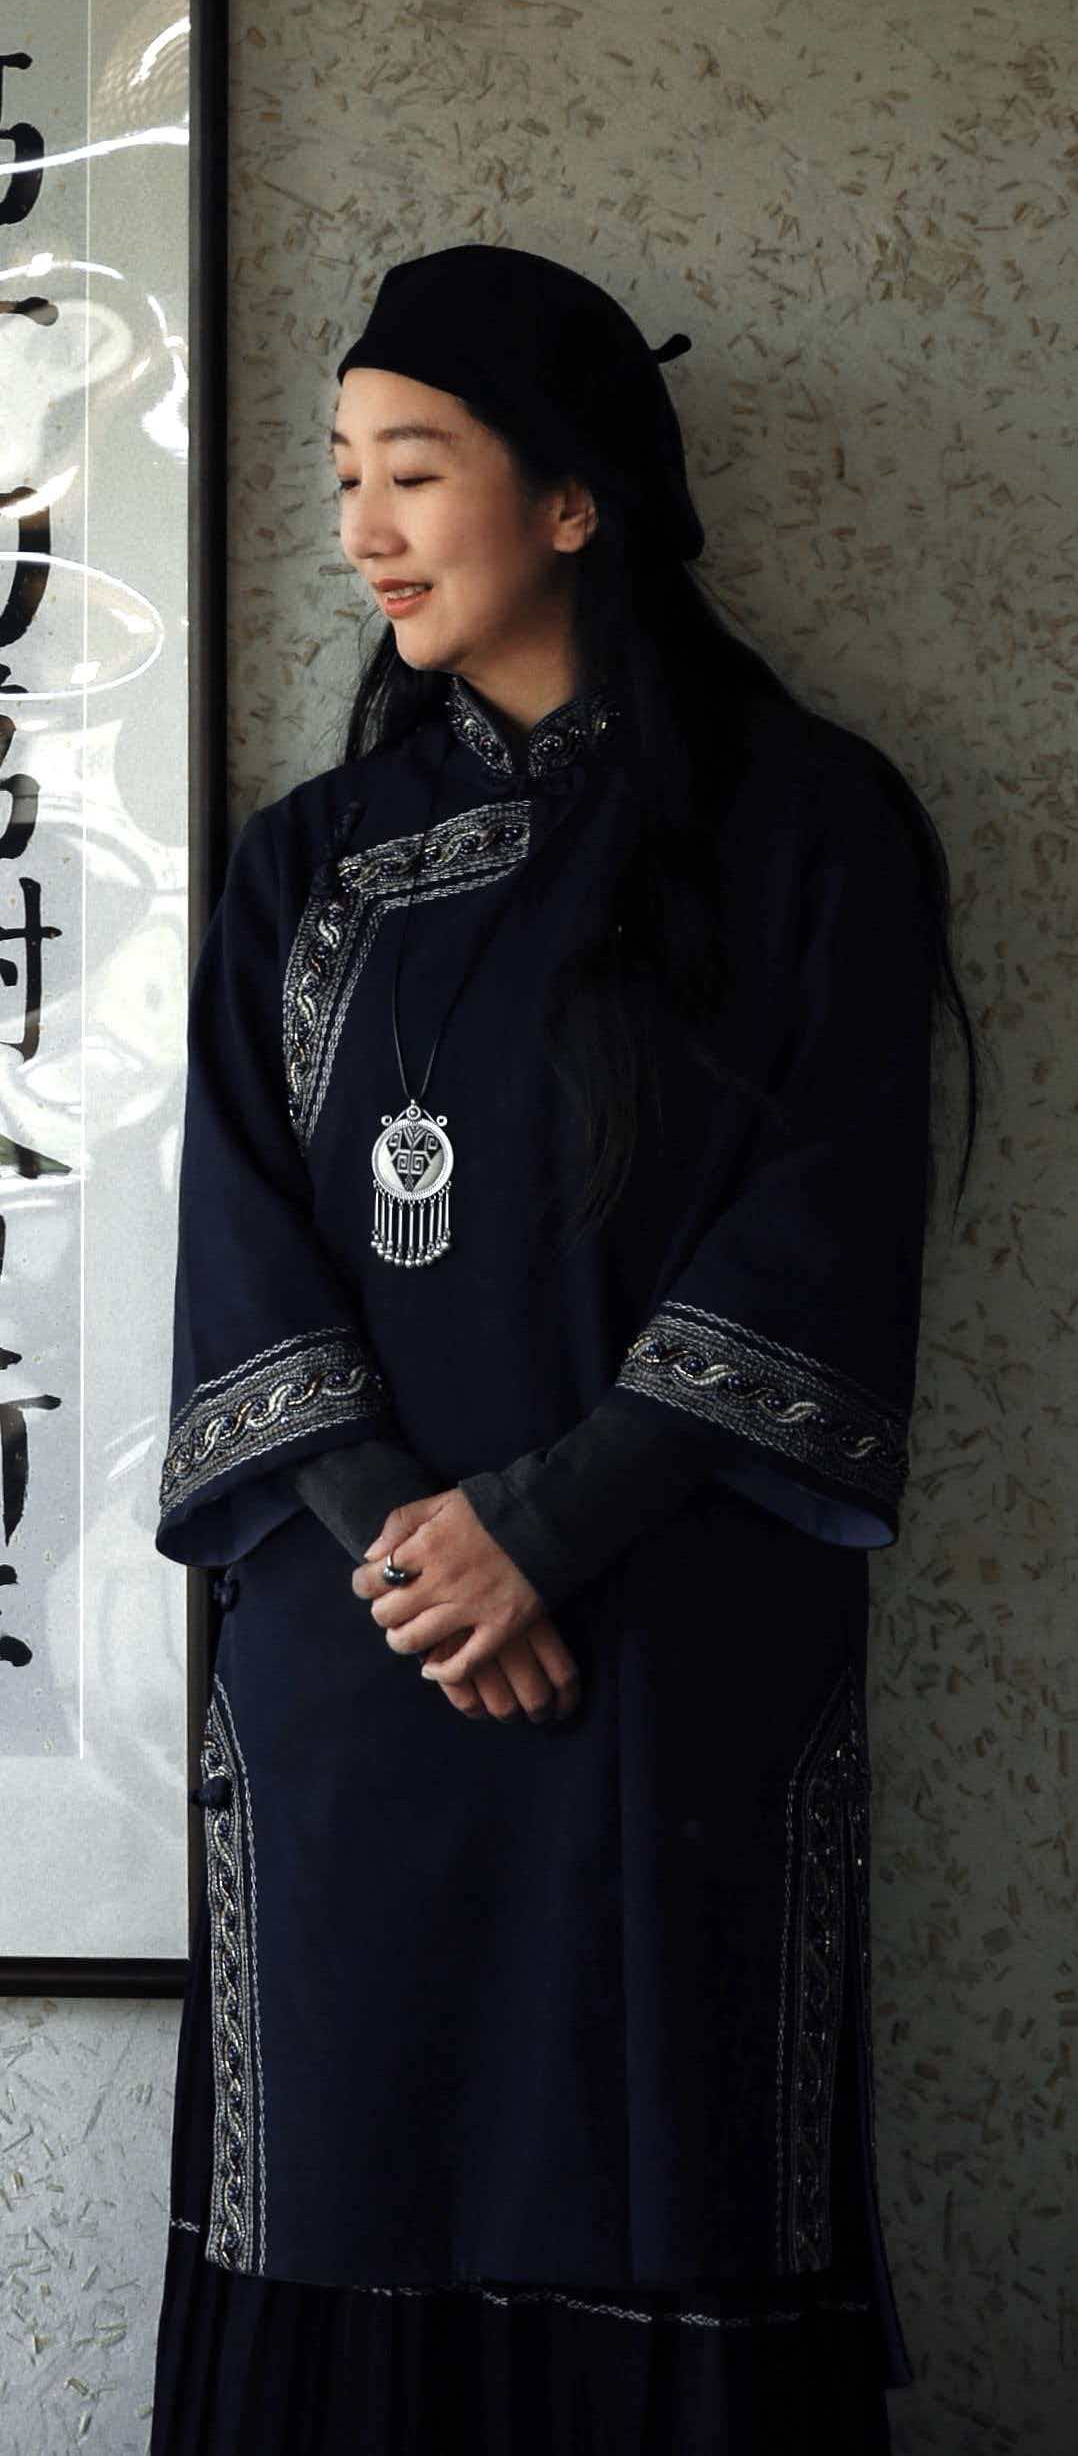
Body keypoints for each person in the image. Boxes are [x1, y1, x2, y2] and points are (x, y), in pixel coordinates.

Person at [148, 244, 981, 2456]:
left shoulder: (801, 828)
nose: (360, 527)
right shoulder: (303, 869)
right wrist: (411, 1552)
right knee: (344, 2154)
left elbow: (821, 1216)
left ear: (574, 498)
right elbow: (236, 1237)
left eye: (411, 469)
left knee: (666, 2134)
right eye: (341, 473)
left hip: (667, 1631)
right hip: (359, 1657)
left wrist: (544, 1528)